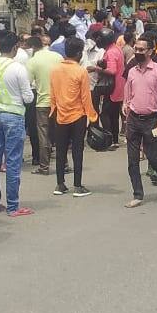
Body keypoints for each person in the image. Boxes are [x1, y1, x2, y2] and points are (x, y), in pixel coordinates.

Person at [0, 31, 35, 217]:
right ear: (15, 47)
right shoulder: (18, 68)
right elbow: (28, 97)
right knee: (13, 161)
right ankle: (13, 206)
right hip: (14, 116)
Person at [121, 34, 157, 208]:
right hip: (134, 120)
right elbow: (128, 93)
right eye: (136, 49)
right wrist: (125, 105)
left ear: (151, 51)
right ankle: (138, 194)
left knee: (154, 157)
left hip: (152, 121)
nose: (137, 52)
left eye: (141, 50)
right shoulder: (132, 71)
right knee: (132, 160)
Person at [48, 37, 96, 197]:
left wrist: (53, 111)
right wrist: (92, 116)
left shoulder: (55, 70)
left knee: (60, 151)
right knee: (77, 151)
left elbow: (53, 94)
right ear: (78, 53)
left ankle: (60, 184)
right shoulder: (81, 71)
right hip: (78, 116)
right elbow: (85, 97)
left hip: (59, 115)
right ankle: (77, 185)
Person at [25, 34, 62, 175]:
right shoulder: (57, 57)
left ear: (33, 47)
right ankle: (63, 164)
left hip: (42, 102)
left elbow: (27, 83)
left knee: (43, 135)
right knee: (60, 134)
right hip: (59, 101)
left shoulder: (32, 62)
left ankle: (44, 166)